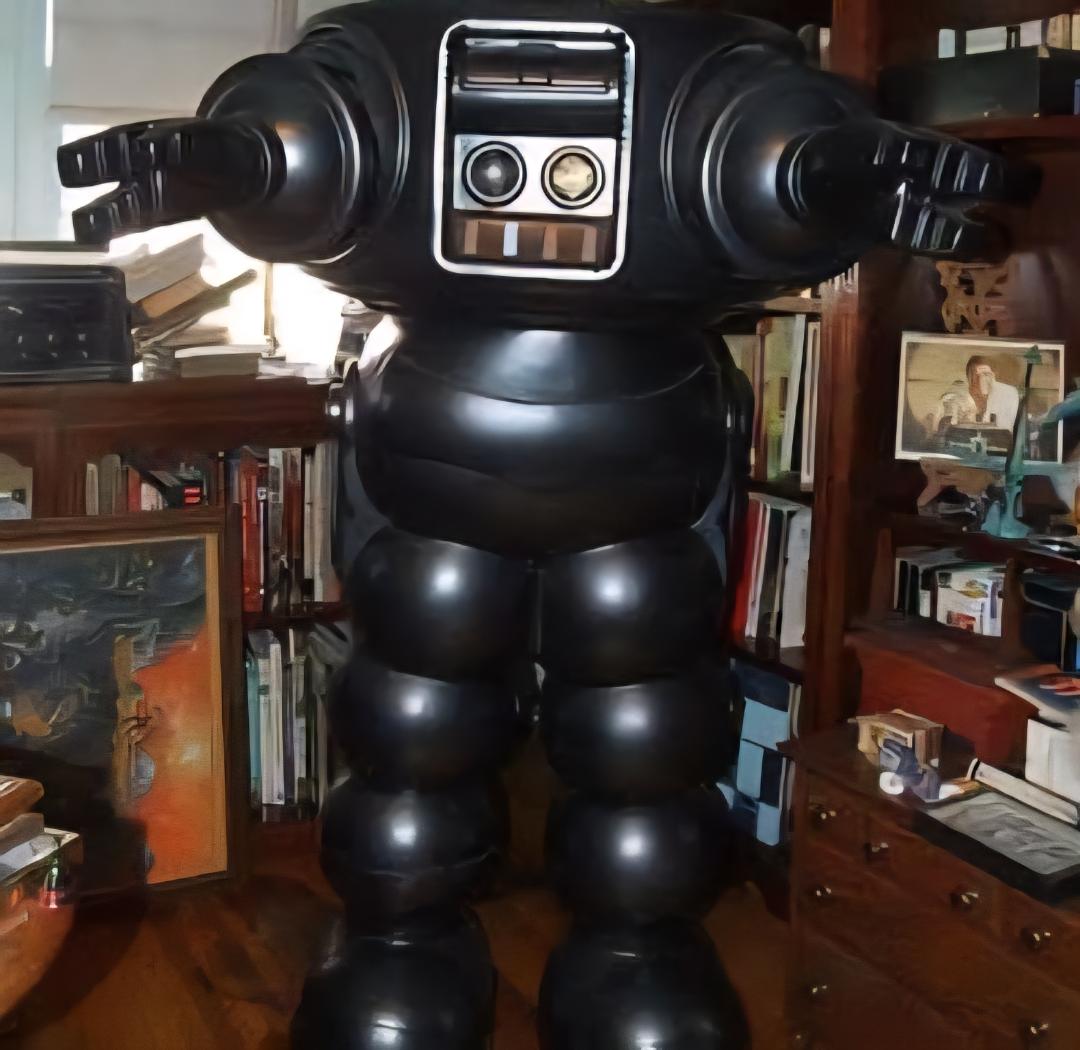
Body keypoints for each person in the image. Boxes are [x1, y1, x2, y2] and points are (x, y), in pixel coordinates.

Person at [966, 354, 1020, 429]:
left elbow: (1003, 427)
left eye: (985, 374)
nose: (981, 380)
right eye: (976, 376)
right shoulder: (966, 397)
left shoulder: (1008, 393)